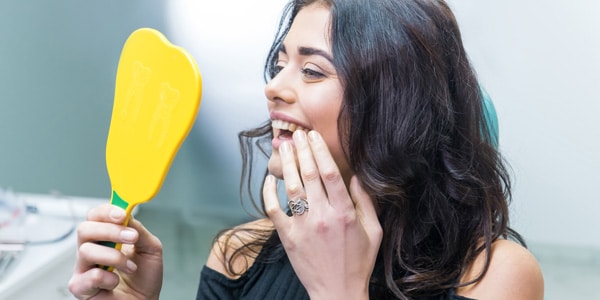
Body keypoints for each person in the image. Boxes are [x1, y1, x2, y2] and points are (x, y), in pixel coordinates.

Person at [68, 0, 544, 299]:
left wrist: (338, 290)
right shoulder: (239, 253)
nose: (273, 88)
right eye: (279, 64)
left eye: (312, 71)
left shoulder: (494, 277)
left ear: (399, 104)